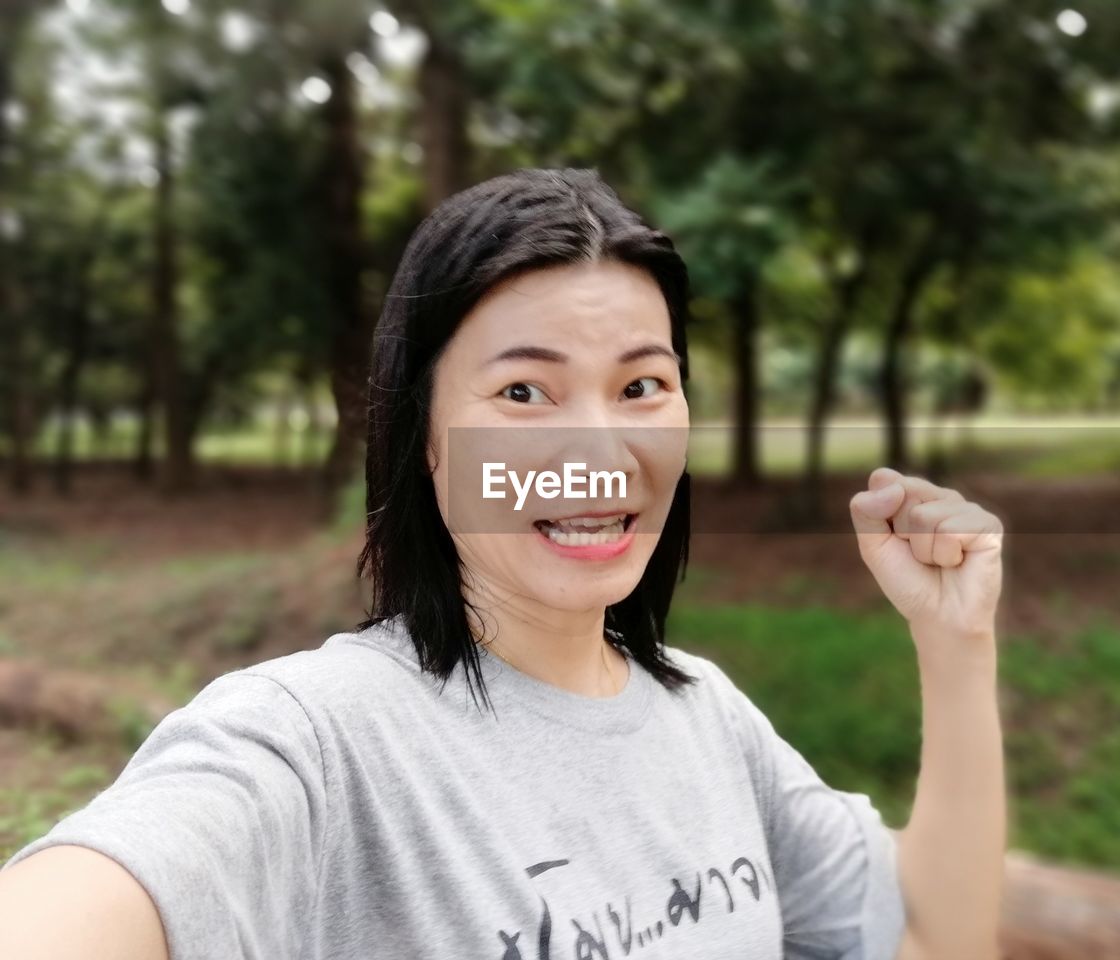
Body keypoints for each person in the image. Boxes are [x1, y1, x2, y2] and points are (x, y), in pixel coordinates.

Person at [0, 167, 1006, 959]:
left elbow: (934, 940)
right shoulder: (311, 740)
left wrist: (954, 643)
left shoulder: (709, 717)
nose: (598, 453)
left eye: (642, 385)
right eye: (524, 395)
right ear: (424, 436)